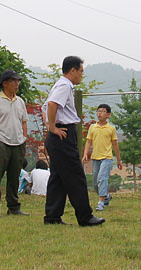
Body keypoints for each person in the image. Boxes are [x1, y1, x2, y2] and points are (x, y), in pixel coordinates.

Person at [42, 56, 104, 226]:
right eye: (81, 71)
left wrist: (50, 126)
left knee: (58, 178)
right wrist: (53, 127)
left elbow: (45, 107)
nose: (82, 75)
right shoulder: (64, 85)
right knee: (76, 176)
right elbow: (52, 104)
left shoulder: (60, 85)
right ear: (72, 70)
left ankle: (52, 217)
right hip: (62, 134)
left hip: (59, 136)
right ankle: (85, 216)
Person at [0, 69, 29, 217]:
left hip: (18, 143)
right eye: (14, 81)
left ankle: (14, 207)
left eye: (18, 81)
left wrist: (24, 137)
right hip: (2, 143)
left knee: (14, 176)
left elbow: (24, 121)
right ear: (5, 83)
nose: (17, 84)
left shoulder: (20, 101)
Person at [83, 103, 122, 211]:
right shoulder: (92, 127)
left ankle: (101, 202)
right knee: (95, 183)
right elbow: (88, 142)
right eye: (98, 111)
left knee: (102, 179)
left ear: (108, 114)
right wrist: (85, 153)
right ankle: (107, 196)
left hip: (107, 158)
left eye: (102, 111)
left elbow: (115, 145)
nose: (99, 113)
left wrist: (118, 160)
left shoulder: (111, 129)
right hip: (95, 158)